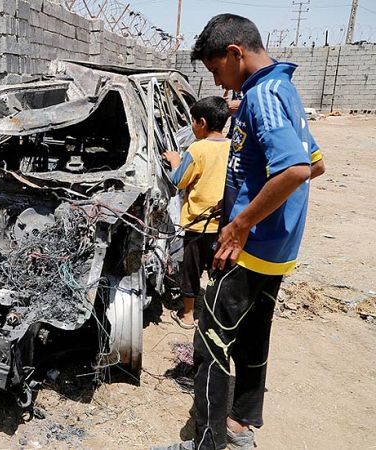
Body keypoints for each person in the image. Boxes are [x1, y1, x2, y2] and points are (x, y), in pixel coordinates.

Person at [153, 14, 325, 450]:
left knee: (210, 340)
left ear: (235, 53)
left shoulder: (262, 94)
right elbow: (317, 163)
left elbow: (297, 170)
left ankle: (208, 442)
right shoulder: (283, 87)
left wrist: (241, 223)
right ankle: (241, 425)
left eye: (216, 71)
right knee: (252, 335)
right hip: (278, 246)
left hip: (250, 247)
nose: (219, 82)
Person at [164, 96, 231, 329]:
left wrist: (174, 160)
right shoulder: (232, 146)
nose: (190, 127)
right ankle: (215, 314)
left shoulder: (197, 149)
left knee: (191, 270)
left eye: (191, 122)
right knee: (217, 269)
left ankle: (188, 315)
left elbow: (179, 180)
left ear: (201, 122)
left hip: (197, 224)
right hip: (222, 224)